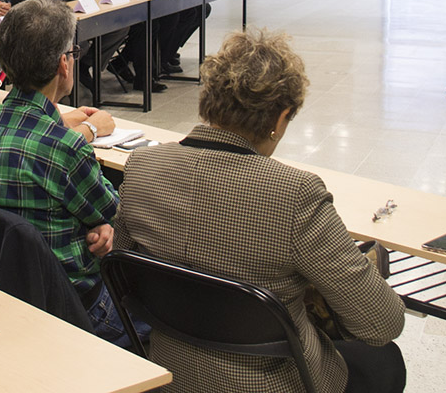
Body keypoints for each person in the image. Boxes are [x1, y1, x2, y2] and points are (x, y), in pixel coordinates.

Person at [113, 30, 406, 393]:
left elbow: (125, 272)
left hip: (172, 369)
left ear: (208, 99)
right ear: (281, 118)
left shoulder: (143, 165)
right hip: (268, 383)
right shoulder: (295, 194)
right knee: (385, 360)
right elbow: (381, 324)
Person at [0, 0, 144, 345]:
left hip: (2, 288)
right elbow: (119, 216)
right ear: (64, 63)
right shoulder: (65, 148)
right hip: (76, 306)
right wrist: (106, 224)